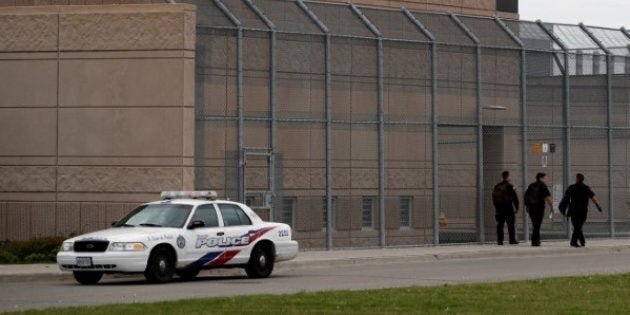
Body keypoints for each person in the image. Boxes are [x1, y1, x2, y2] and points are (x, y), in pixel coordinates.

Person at [563, 173, 602, 247]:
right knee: (578, 226)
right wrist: (597, 206)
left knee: (577, 226)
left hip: (573, 209)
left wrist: (565, 207)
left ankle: (576, 241)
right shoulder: (586, 188)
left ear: (577, 178)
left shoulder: (572, 187)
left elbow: (566, 198)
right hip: (583, 210)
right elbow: (593, 197)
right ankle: (580, 241)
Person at [524, 172, 554, 247]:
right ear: (541, 178)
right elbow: (548, 198)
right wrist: (551, 207)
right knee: (537, 225)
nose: (546, 179)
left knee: (535, 224)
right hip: (539, 208)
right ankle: (535, 241)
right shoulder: (543, 186)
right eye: (545, 177)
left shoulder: (531, 185)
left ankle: (536, 240)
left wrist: (527, 207)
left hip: (531, 208)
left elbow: (526, 196)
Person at [492, 171, 520, 245]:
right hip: (508, 208)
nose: (510, 177)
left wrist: (496, 206)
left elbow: (494, 197)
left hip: (499, 208)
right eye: (510, 176)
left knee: (500, 224)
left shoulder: (497, 186)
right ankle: (512, 240)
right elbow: (515, 198)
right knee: (511, 225)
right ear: (507, 177)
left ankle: (500, 241)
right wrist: (517, 207)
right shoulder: (510, 186)